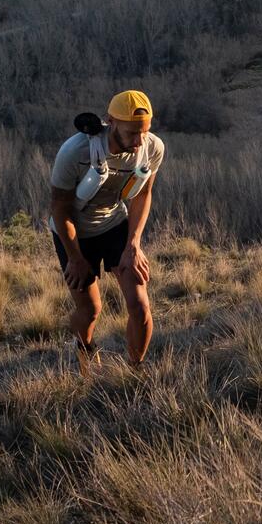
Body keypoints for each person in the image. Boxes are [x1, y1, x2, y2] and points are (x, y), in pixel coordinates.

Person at [50, 89, 165, 372]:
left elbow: (142, 195)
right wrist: (76, 259)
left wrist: (133, 244)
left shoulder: (152, 148)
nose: (139, 142)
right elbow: (60, 209)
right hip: (76, 234)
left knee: (139, 307)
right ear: (111, 121)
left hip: (115, 225)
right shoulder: (75, 152)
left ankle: (135, 370)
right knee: (90, 311)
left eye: (145, 131)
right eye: (131, 133)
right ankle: (85, 349)